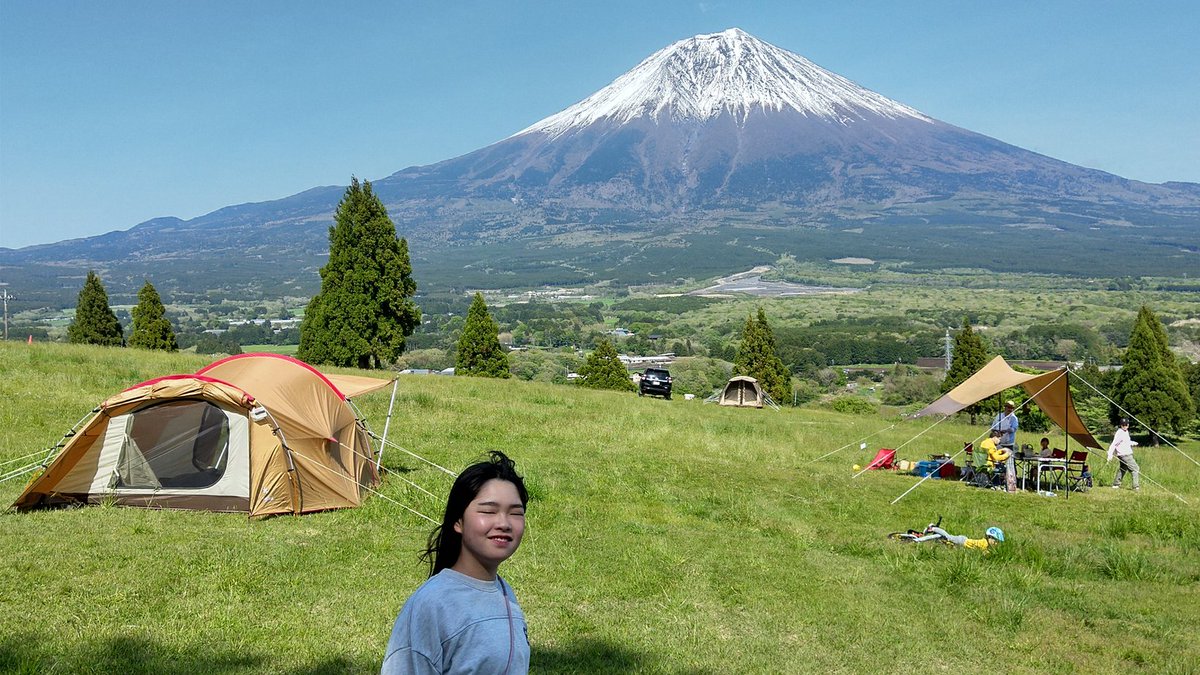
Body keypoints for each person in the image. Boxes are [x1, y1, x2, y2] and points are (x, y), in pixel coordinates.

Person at [382, 451, 531, 674]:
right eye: (488, 511)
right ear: (458, 521)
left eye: (515, 513)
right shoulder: (431, 605)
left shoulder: (503, 591)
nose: (504, 523)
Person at [1107, 418, 1140, 491]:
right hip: (1125, 455)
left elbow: (1125, 442)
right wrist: (1110, 454)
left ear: (1128, 425)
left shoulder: (1126, 432)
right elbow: (1114, 444)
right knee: (1135, 469)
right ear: (1121, 425)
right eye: (1123, 425)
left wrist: (1133, 443)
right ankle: (1136, 487)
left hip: (1124, 454)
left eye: (1126, 425)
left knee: (1123, 469)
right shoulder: (1119, 433)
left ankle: (1116, 484)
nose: (1125, 426)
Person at [915, 525, 1005, 551]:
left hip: (963, 541)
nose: (996, 543)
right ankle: (933, 528)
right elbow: (983, 551)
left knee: (946, 541)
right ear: (989, 537)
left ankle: (936, 539)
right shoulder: (984, 543)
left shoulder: (986, 544)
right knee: (948, 536)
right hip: (962, 541)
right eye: (995, 541)